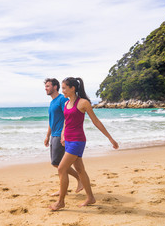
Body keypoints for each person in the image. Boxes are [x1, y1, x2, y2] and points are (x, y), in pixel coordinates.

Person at [50, 77, 119, 211]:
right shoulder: (66, 104)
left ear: (72, 88)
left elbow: (96, 121)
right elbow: (66, 121)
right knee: (80, 170)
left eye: (64, 88)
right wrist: (63, 135)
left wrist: (110, 138)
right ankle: (90, 198)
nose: (62, 90)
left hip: (78, 141)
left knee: (61, 168)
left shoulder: (83, 103)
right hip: (68, 140)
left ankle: (60, 202)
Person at [44, 78, 83, 196]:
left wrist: (64, 134)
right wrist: (47, 136)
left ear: (55, 87)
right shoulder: (52, 102)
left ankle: (74, 181)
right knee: (59, 163)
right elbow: (51, 121)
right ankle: (66, 187)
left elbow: (68, 117)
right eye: (45, 86)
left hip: (61, 135)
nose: (45, 88)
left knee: (57, 163)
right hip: (54, 135)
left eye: (47, 86)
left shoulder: (62, 99)